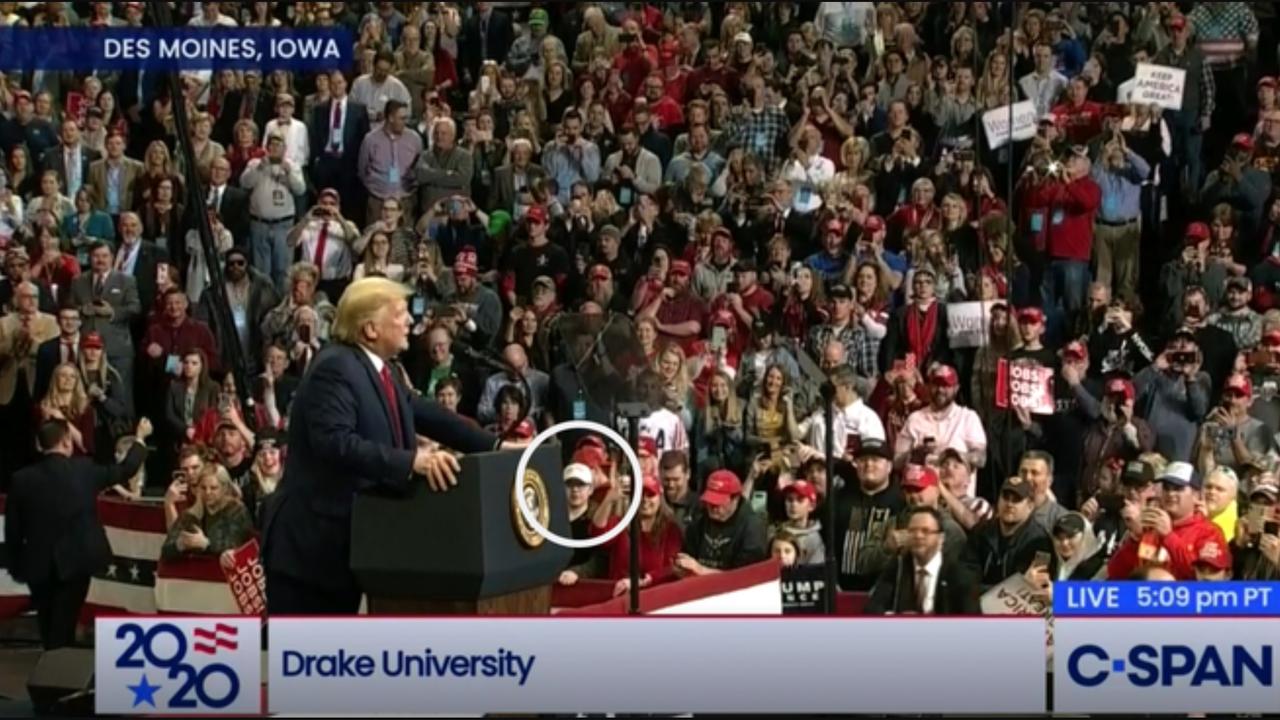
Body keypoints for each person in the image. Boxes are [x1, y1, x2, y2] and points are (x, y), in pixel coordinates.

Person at [262, 277, 509, 615]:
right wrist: (412, 463)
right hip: (311, 553)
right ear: (370, 329)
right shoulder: (335, 367)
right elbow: (335, 442)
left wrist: (496, 444)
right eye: (400, 313)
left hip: (344, 548)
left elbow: (423, 411)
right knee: (309, 660)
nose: (410, 320)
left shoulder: (379, 369)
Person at [5, 417, 151, 648]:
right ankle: (58, 673)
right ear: (66, 442)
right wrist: (140, 439)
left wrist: (16, 566)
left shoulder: (21, 479)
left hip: (38, 567)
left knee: (49, 626)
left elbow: (13, 530)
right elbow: (126, 470)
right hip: (77, 563)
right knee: (64, 625)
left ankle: (53, 668)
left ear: (39, 445)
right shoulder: (84, 470)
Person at [864, 507, 980, 615]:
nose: (918, 536)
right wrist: (897, 620)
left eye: (926, 531)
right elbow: (872, 609)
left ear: (941, 539)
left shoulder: (959, 574)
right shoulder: (898, 567)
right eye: (913, 531)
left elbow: (971, 623)